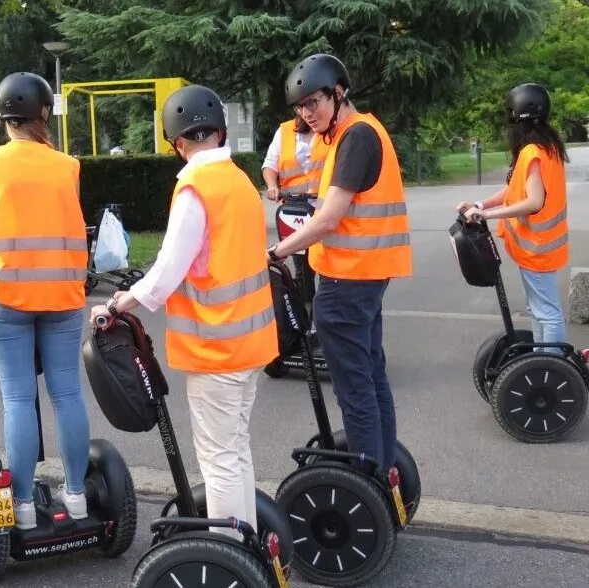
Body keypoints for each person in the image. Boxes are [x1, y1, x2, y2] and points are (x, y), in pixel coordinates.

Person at [90, 84, 278, 539]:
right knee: (234, 450)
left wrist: (119, 302)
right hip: (251, 344)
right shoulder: (238, 180)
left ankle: (232, 555)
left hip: (217, 349)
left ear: (176, 141)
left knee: (219, 459)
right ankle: (246, 544)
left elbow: (170, 267)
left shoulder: (196, 186)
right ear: (218, 131)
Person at [268, 54, 413, 478]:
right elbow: (338, 209)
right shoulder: (351, 134)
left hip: (348, 280)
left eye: (314, 102)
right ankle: (383, 473)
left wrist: (276, 253)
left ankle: (368, 483)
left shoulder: (356, 136)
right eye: (300, 107)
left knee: (355, 389)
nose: (306, 113)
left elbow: (329, 219)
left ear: (339, 92)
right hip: (363, 275)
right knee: (371, 377)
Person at [0, 71, 92, 530]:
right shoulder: (68, 165)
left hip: (9, 299)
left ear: (3, 117)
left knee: (18, 398)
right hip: (63, 297)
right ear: (43, 113)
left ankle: (19, 505)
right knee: (68, 393)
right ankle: (76, 496)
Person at [459, 83, 570, 353]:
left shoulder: (532, 151)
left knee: (547, 312)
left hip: (537, 247)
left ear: (517, 115)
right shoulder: (545, 146)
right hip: (539, 245)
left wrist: (486, 213)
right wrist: (479, 204)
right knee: (539, 310)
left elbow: (534, 202)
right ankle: (543, 357)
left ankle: (552, 365)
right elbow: (515, 188)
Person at [262, 115, 324, 201]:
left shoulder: (330, 129)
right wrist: (272, 186)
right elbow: (270, 164)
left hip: (324, 205)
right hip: (292, 205)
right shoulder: (285, 130)